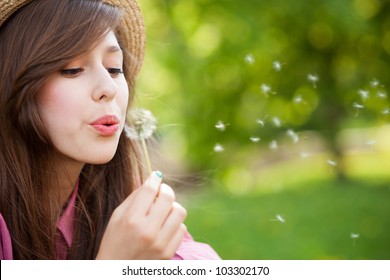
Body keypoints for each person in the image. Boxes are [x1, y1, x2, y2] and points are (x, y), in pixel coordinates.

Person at [0, 0, 220, 260]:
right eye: (72, 70)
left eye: (114, 68)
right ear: (12, 84)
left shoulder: (121, 201)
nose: (109, 87)